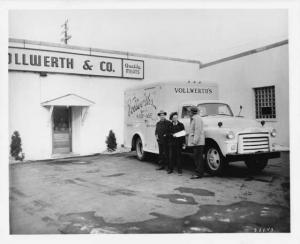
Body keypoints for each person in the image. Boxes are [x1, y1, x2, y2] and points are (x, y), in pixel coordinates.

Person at [187, 106, 205, 179]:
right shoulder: (195, 118)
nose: (188, 113)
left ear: (192, 112)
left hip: (198, 142)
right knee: (197, 157)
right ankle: (200, 172)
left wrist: (194, 141)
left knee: (198, 158)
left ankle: (198, 174)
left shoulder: (197, 119)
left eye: (189, 112)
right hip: (198, 142)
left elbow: (197, 130)